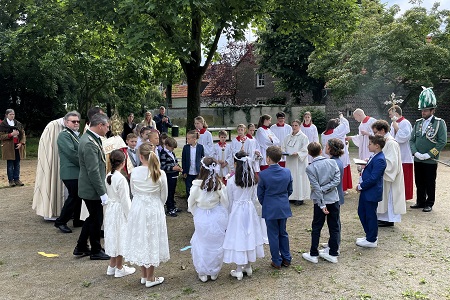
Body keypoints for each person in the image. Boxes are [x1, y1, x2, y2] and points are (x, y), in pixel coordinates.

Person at [124, 143, 169, 288]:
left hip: (138, 207)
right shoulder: (160, 173)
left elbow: (133, 191)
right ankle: (149, 277)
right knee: (150, 239)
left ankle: (145, 275)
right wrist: (156, 203)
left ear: (140, 156)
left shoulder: (135, 172)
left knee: (141, 238)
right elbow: (164, 196)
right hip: (153, 208)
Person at [73, 113, 110, 260]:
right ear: (100, 125)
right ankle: (95, 250)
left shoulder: (91, 138)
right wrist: (102, 192)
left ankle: (81, 246)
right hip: (92, 188)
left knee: (92, 217)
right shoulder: (89, 142)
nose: (108, 129)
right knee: (96, 219)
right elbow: (93, 170)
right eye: (107, 126)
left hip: (91, 186)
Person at [223, 151, 264, 280]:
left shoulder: (231, 181)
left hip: (237, 210)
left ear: (236, 164)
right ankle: (248, 266)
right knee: (249, 235)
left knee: (239, 236)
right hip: (249, 208)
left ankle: (240, 269)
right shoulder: (253, 179)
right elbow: (254, 197)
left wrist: (229, 214)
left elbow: (229, 200)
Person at [188, 157, 229, 282]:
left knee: (202, 243)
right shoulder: (219, 185)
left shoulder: (196, 186)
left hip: (202, 215)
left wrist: (197, 214)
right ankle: (214, 270)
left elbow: (191, 203)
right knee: (216, 243)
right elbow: (225, 202)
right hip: (216, 216)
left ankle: (203, 271)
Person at [302, 142, 341, 264]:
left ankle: (314, 252)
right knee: (334, 226)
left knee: (317, 227)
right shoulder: (332, 162)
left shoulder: (311, 168)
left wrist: (322, 199)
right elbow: (336, 180)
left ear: (309, 153)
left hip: (320, 202)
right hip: (333, 199)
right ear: (321, 151)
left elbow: (316, 188)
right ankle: (333, 252)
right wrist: (326, 188)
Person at [410, 87, 447, 212]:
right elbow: (412, 140)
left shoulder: (439, 123)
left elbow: (442, 142)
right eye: (422, 110)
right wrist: (415, 152)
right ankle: (420, 201)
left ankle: (429, 203)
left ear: (433, 110)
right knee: (419, 181)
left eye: (425, 110)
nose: (423, 112)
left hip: (430, 159)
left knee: (430, 182)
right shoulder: (418, 122)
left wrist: (429, 154)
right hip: (418, 158)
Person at [257, 146, 293, 269]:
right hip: (283, 205)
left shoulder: (263, 174)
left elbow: (260, 194)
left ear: (268, 159)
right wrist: (283, 198)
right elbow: (290, 190)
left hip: (270, 206)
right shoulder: (287, 172)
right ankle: (287, 258)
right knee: (283, 232)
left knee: (273, 234)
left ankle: (276, 260)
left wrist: (266, 203)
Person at [104, 150, 136, 278]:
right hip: (119, 210)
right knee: (120, 237)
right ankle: (119, 267)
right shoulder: (121, 179)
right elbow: (125, 200)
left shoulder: (108, 176)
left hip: (111, 209)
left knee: (113, 236)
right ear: (123, 163)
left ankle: (112, 265)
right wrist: (130, 216)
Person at [371, 120, 406, 227]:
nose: (374, 134)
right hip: (383, 175)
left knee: (390, 196)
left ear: (382, 130)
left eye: (376, 132)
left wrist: (377, 167)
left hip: (390, 177)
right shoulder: (384, 141)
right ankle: (382, 217)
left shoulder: (390, 142)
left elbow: (392, 163)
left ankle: (388, 219)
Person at [54, 111, 83, 233]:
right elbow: (72, 154)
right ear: (66, 122)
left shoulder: (75, 135)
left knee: (79, 196)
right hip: (70, 171)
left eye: (77, 121)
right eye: (73, 121)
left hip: (77, 171)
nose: (76, 123)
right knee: (74, 196)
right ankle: (61, 221)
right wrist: (86, 163)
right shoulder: (64, 135)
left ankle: (77, 219)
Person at [355, 135, 386, 248]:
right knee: (362, 212)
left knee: (370, 215)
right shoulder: (374, 156)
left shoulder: (380, 159)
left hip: (371, 192)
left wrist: (361, 186)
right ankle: (369, 234)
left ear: (377, 146)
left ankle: (372, 239)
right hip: (367, 191)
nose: (368, 145)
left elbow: (374, 178)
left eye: (370, 144)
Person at [32, 116, 65, 219]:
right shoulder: (52, 127)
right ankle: (50, 211)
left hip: (63, 163)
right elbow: (47, 148)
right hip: (53, 161)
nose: (76, 123)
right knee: (50, 181)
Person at [321, 114, 352, 193]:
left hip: (328, 155)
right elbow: (345, 125)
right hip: (338, 154)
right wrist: (341, 117)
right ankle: (342, 189)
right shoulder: (336, 131)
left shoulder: (323, 134)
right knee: (340, 170)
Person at [388, 105, 413, 201]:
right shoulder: (393, 124)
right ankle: (397, 196)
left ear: (396, 113)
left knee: (405, 177)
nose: (390, 116)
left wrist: (397, 128)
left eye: (391, 114)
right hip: (395, 154)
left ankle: (405, 196)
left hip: (404, 154)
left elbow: (405, 137)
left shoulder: (405, 122)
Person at [282, 119, 310, 206]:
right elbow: (283, 146)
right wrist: (284, 152)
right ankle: (291, 196)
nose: (294, 127)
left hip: (299, 162)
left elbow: (306, 149)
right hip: (290, 161)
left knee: (299, 178)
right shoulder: (287, 137)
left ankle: (300, 197)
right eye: (293, 125)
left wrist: (297, 153)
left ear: (299, 126)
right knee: (291, 178)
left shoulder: (303, 137)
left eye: (296, 125)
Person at [0, 109, 26, 187]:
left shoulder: (18, 123)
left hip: (17, 145)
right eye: (10, 114)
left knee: (17, 163)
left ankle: (17, 179)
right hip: (8, 146)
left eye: (13, 114)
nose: (12, 116)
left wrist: (21, 143)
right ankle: (11, 180)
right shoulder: (3, 125)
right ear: (6, 115)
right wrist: (11, 134)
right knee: (10, 164)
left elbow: (23, 134)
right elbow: (1, 136)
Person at [159, 137, 183, 217]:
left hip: (174, 175)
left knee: (172, 192)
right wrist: (172, 168)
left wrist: (178, 167)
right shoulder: (163, 153)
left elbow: (175, 161)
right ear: (166, 145)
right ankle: (170, 208)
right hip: (168, 175)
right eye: (171, 147)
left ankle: (173, 206)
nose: (172, 149)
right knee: (169, 192)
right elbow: (162, 166)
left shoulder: (171, 153)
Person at [182, 130, 205, 198]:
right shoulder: (185, 147)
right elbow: (184, 160)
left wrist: (201, 171)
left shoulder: (200, 147)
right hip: (188, 172)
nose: (187, 140)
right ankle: (189, 202)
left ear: (194, 139)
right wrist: (184, 171)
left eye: (189, 138)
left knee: (198, 187)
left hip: (197, 172)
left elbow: (202, 159)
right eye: (187, 138)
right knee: (188, 188)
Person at [326, 138, 345, 206]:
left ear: (330, 148)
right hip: (336, 195)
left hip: (333, 197)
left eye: (326, 146)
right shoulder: (338, 161)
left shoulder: (332, 163)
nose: (325, 148)